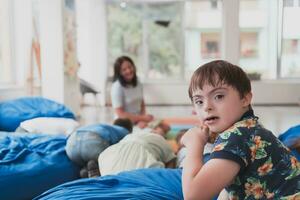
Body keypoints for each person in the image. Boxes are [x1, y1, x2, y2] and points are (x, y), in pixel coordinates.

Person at [181, 60, 300, 199]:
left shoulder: (237, 137)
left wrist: (194, 144)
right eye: (199, 101)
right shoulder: (251, 128)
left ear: (245, 98)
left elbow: (193, 196)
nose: (207, 107)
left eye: (219, 96)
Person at [98, 120, 176, 176]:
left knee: (111, 173)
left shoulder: (133, 133)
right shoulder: (157, 137)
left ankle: (98, 178)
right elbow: (171, 166)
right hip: (132, 147)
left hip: (113, 153)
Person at [65, 118, 133, 178]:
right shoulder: (123, 131)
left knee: (90, 160)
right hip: (92, 141)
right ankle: (95, 170)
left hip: (71, 145)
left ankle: (85, 170)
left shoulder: (100, 126)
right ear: (129, 129)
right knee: (109, 163)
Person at [111, 56, 154, 128]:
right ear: (119, 72)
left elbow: (141, 103)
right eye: (124, 69)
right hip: (125, 124)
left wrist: (142, 119)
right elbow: (120, 114)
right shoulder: (117, 87)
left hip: (139, 120)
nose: (128, 71)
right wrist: (142, 118)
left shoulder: (138, 81)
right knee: (157, 132)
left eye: (130, 67)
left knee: (165, 127)